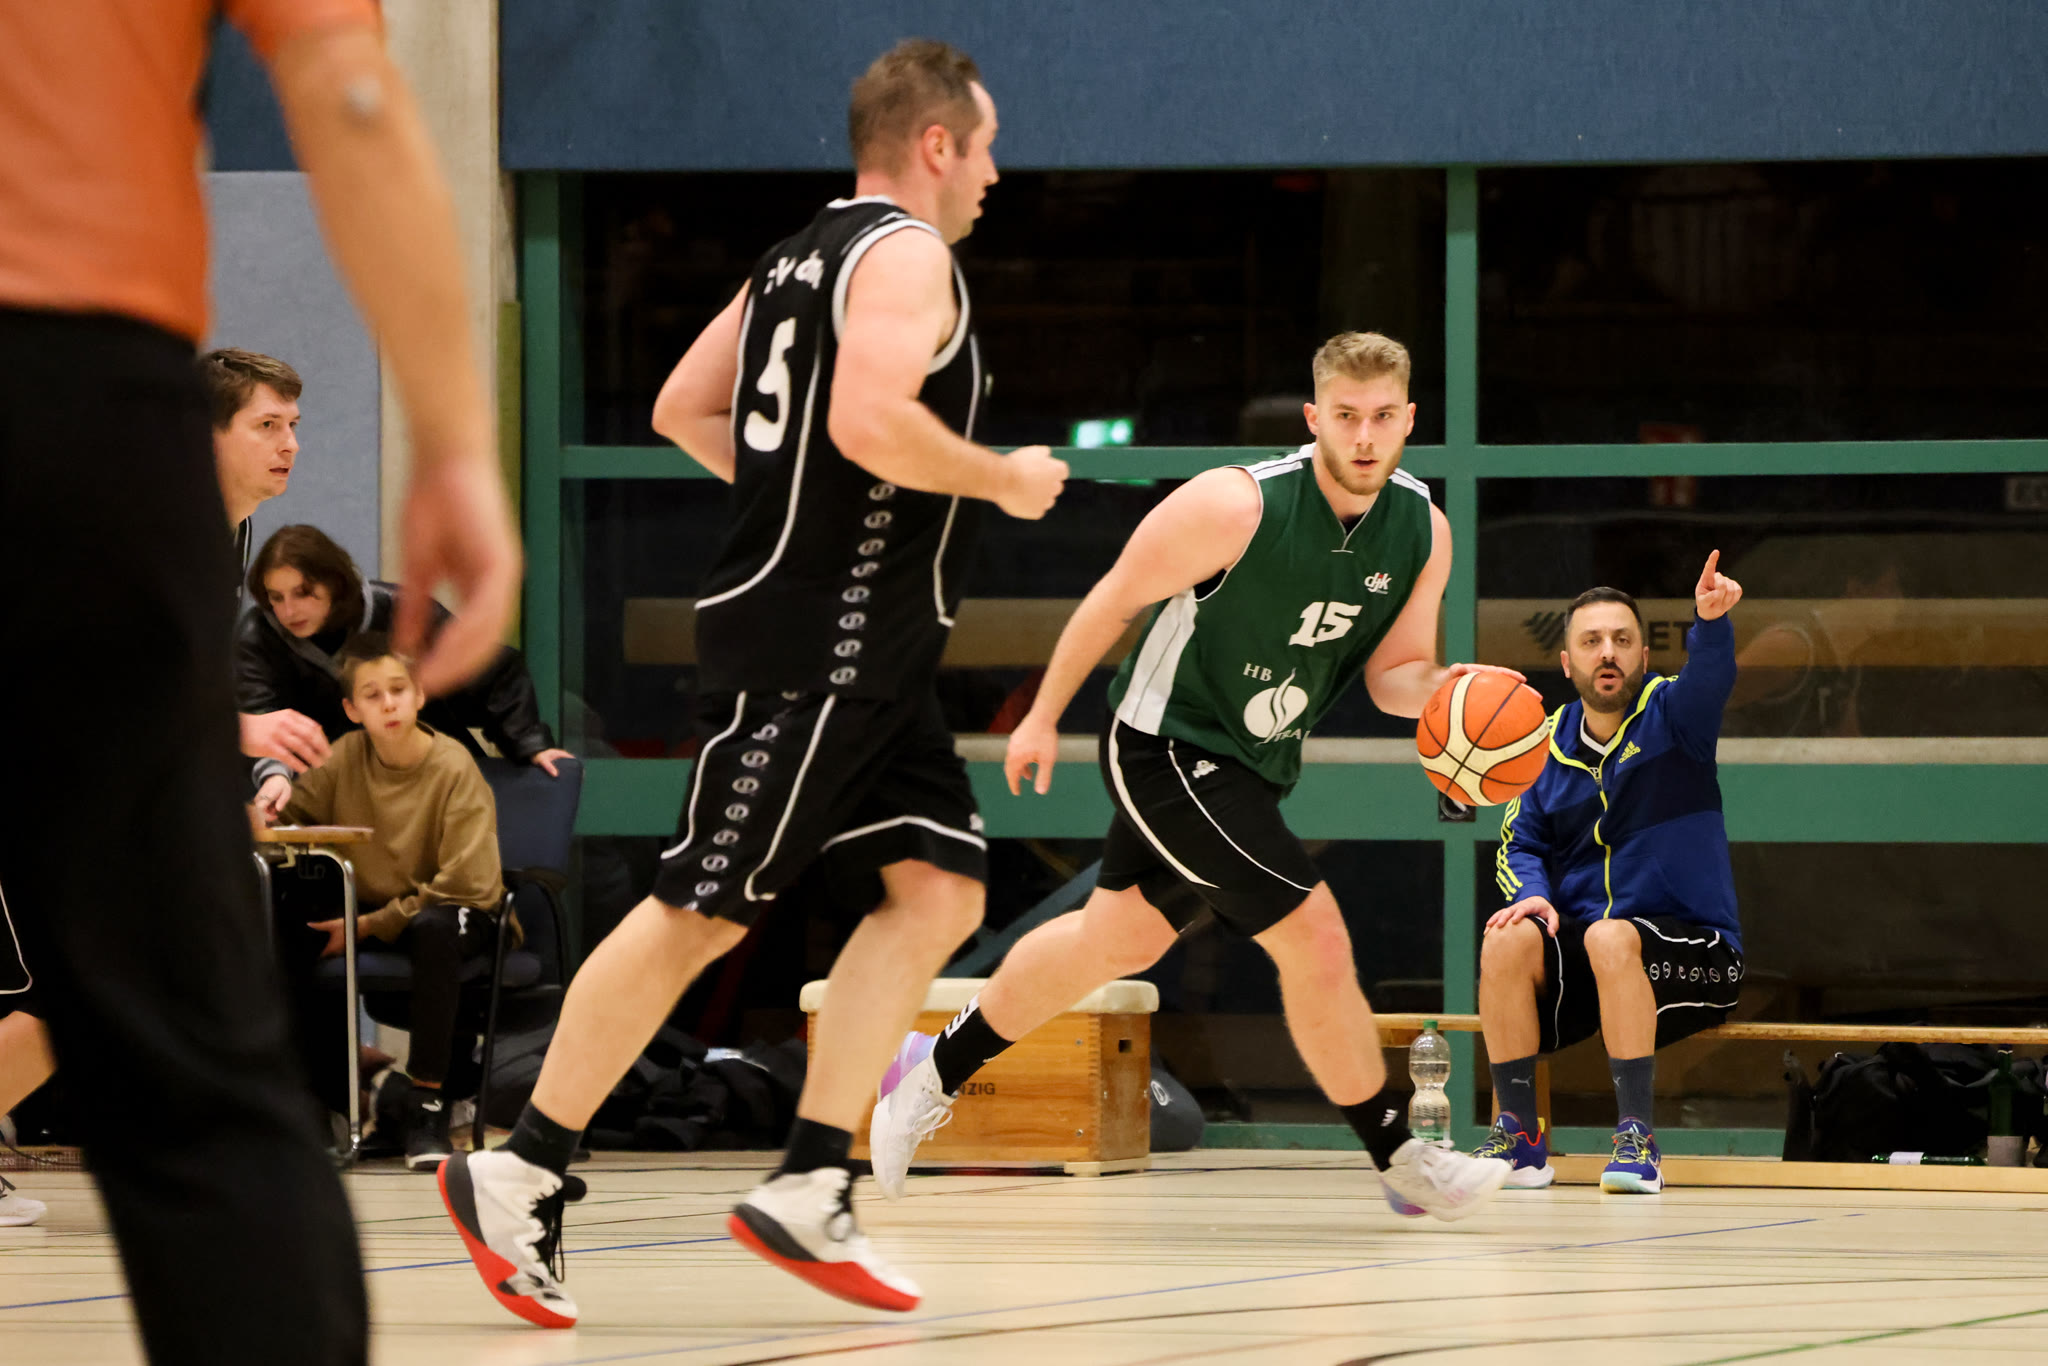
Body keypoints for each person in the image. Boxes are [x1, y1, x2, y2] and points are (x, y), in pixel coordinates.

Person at [439, 38, 1067, 1327]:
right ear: (935, 144)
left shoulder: (793, 257)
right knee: (701, 907)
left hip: (868, 653)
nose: (994, 172)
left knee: (939, 888)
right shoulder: (908, 256)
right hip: (818, 644)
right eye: (986, 146)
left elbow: (683, 407)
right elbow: (866, 422)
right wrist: (1000, 477)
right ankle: (522, 1166)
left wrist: (801, 502)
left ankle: (811, 1177)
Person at [0, 3, 521, 1361]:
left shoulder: (246, 550)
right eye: (271, 424)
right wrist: (455, 438)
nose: (288, 444)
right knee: (182, 1040)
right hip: (66, 354)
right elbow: (350, 89)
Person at [869, 332, 1519, 1222]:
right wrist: (1042, 715)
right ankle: (1400, 1155)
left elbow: (1392, 675)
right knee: (1315, 937)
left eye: (1381, 418)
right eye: (1345, 416)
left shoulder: (1422, 531)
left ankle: (927, 1070)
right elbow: (1114, 598)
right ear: (1313, 417)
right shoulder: (1234, 505)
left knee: (1114, 943)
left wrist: (1451, 692)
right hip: (1165, 745)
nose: (1364, 437)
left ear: (1409, 419)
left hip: (1253, 764)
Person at [1467, 558, 1745, 1194]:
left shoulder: (1675, 717)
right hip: (1598, 963)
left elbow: (1710, 678)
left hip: (1698, 953)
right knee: (1507, 939)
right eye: (1591, 642)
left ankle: (1636, 1139)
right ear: (1568, 663)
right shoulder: (1542, 746)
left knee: (1609, 936)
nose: (1608, 653)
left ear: (1643, 655)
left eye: (1621, 639)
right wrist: (1533, 897)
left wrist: (1710, 624)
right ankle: (1519, 1138)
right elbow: (1520, 843)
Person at [258, 635, 510, 1169]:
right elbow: (290, 819)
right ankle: (321, 1103)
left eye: (398, 690)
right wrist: (262, 808)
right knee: (287, 916)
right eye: (372, 695)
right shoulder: (345, 756)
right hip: (374, 913)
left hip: (461, 913)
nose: (389, 704)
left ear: (419, 695)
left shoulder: (453, 766)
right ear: (352, 710)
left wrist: (369, 925)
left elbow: (468, 883)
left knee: (435, 928)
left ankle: (428, 1107)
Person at [241, 524, 571, 795]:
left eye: (303, 593)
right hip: (328, 789)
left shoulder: (404, 611)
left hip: (428, 778)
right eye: (276, 597)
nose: (288, 611)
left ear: (335, 584)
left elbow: (492, 670)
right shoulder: (258, 636)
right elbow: (262, 718)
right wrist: (274, 777)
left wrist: (530, 743)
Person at [203, 348, 335, 776]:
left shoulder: (236, 527)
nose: (291, 445)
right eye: (267, 425)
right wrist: (239, 729)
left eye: (292, 425)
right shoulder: (151, 533)